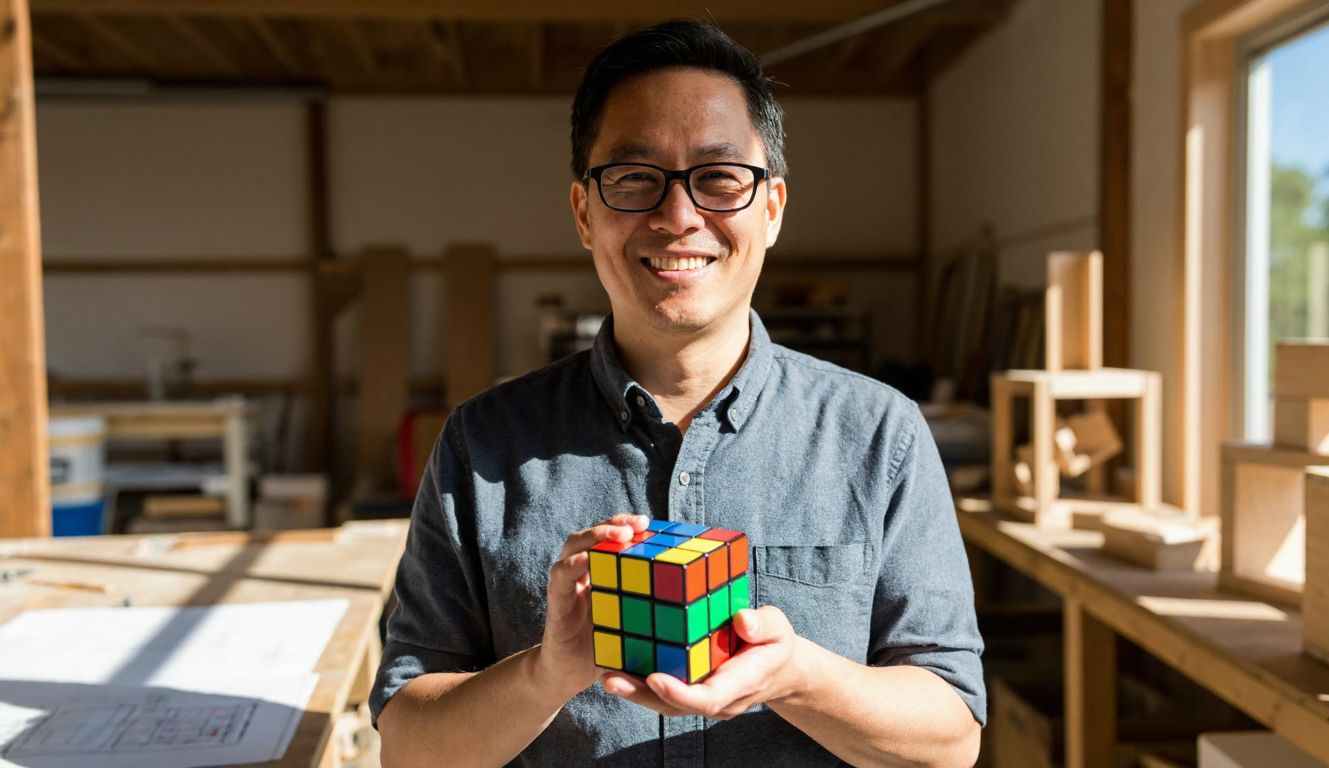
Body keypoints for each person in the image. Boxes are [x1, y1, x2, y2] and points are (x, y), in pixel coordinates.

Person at [371, 19, 984, 767]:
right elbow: (408, 745)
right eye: (634, 179)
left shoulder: (879, 434)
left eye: (719, 177)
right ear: (583, 213)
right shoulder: (482, 444)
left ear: (772, 208)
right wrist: (547, 672)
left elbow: (951, 738)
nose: (678, 216)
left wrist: (797, 675)